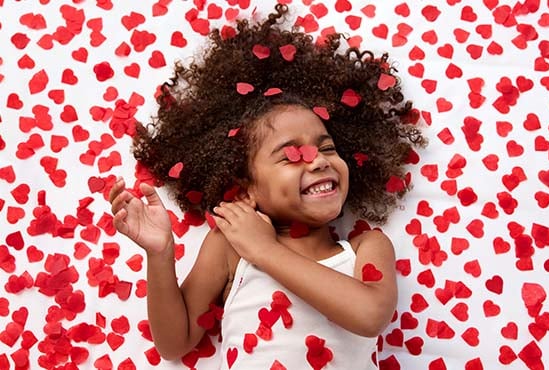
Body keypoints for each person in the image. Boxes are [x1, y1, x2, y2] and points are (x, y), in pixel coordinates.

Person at [109, 4, 425, 369]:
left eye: (327, 148)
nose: (319, 160)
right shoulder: (230, 244)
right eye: (291, 156)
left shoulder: (367, 247)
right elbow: (174, 343)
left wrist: (265, 251)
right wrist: (160, 256)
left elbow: (370, 316)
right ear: (247, 189)